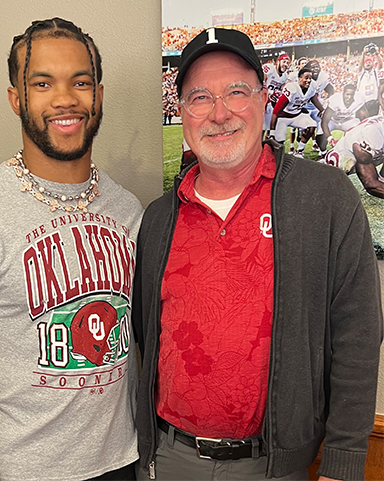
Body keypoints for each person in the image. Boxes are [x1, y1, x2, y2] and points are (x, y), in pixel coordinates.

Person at [132, 27, 382, 481]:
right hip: (169, 458)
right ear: (183, 111)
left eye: (236, 92)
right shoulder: (158, 218)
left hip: (274, 466)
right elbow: (145, 336)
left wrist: (343, 463)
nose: (219, 113)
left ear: (265, 99)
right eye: (200, 97)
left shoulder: (323, 197)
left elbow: (358, 336)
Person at [0, 18, 143, 481]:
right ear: (17, 98)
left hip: (123, 459)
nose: (65, 98)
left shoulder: (129, 209)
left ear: (98, 94)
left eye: (80, 82)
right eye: (43, 83)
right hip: (22, 469)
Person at [324, 100, 384, 198]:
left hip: (368, 149)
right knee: (343, 164)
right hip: (346, 155)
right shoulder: (374, 135)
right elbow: (371, 184)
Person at [270, 66, 324, 157]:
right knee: (279, 142)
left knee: (312, 125)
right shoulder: (292, 88)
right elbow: (276, 111)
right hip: (283, 117)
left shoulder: (311, 88)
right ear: (299, 79)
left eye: (310, 78)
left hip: (296, 115)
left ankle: (299, 150)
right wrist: (272, 132)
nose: (309, 80)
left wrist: (322, 110)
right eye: (306, 78)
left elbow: (314, 99)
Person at [262, 52, 290, 138]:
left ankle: (265, 144)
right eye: (284, 62)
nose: (286, 64)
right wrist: (269, 91)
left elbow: (279, 89)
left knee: (268, 125)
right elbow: (261, 81)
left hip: (269, 101)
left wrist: (277, 93)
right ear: (278, 62)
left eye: (288, 63)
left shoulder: (285, 76)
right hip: (261, 97)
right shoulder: (270, 68)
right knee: (259, 125)